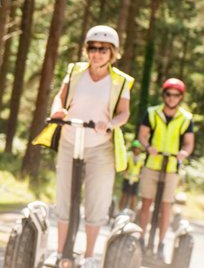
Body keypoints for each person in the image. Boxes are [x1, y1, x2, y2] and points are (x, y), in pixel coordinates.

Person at [44, 26, 134, 267]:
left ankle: (89, 256)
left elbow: (124, 113)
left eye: (103, 49)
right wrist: (57, 111)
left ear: (112, 52)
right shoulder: (75, 71)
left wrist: (110, 123)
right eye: (93, 48)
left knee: (97, 199)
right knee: (64, 197)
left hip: (100, 146)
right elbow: (60, 98)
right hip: (70, 139)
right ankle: (60, 251)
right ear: (87, 50)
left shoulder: (120, 80)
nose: (97, 53)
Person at [136, 78, 195, 256]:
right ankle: (141, 240)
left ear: (180, 97)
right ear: (164, 95)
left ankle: (161, 244)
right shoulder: (152, 113)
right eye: (168, 94)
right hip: (152, 164)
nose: (171, 98)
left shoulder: (186, 118)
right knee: (146, 203)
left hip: (171, 167)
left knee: (166, 206)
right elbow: (142, 135)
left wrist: (184, 153)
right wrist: (148, 147)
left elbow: (189, 143)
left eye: (176, 95)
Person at [119, 140, 147, 212]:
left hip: (136, 179)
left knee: (133, 197)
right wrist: (124, 171)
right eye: (135, 148)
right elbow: (126, 165)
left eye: (137, 148)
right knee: (124, 195)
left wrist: (141, 175)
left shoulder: (142, 157)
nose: (136, 150)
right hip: (127, 177)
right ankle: (120, 210)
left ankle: (132, 212)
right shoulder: (129, 155)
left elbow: (142, 168)